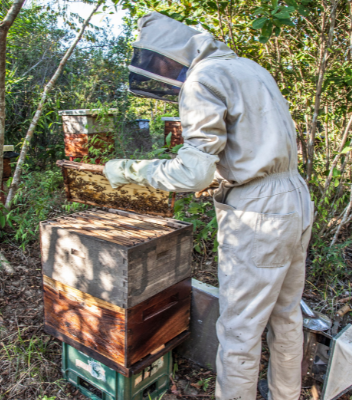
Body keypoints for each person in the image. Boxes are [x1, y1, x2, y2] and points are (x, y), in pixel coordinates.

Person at [104, 12, 312, 400]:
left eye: (158, 61)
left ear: (172, 52)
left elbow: (191, 173)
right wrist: (223, 176)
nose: (160, 71)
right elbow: (255, 144)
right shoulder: (249, 68)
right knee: (286, 315)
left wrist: (129, 169)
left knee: (240, 329)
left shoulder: (203, 78)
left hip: (258, 212)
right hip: (294, 197)